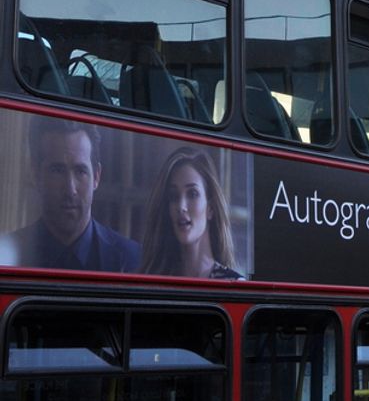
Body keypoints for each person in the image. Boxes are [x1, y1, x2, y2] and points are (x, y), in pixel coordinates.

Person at [0, 116, 140, 272]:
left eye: (80, 171)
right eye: (57, 170)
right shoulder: (5, 253)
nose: (70, 189)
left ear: (97, 177)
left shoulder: (132, 259)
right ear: (35, 174)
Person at [143, 148, 243, 279]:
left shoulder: (234, 286)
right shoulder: (152, 283)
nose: (181, 206)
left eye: (192, 194)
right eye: (173, 196)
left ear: (210, 208)